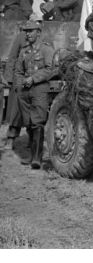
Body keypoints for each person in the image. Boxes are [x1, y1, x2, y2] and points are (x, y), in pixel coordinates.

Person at [13, 20, 55, 168]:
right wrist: (19, 87)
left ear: (38, 32)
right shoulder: (24, 51)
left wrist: (34, 78)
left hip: (39, 89)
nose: (28, 34)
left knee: (37, 122)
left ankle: (37, 158)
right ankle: (31, 155)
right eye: (26, 31)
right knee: (28, 122)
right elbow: (18, 71)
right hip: (24, 92)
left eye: (31, 31)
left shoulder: (46, 50)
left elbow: (51, 69)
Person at [1, 14, 43, 152]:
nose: (36, 26)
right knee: (16, 110)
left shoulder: (44, 40)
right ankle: (11, 138)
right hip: (20, 80)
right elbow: (12, 57)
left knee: (34, 111)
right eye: (35, 23)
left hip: (36, 81)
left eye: (39, 23)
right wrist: (9, 77)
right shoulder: (20, 38)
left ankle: (32, 140)